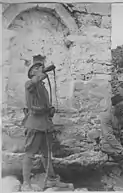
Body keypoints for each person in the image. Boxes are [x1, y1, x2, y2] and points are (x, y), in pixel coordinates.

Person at [21, 55, 68, 191]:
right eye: (38, 67)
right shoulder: (30, 83)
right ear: (32, 72)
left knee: (47, 154)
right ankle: (26, 183)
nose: (41, 68)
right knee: (30, 153)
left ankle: (51, 180)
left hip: (45, 124)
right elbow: (33, 83)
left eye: (41, 66)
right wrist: (44, 71)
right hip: (34, 124)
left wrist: (50, 109)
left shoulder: (42, 87)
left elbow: (44, 103)